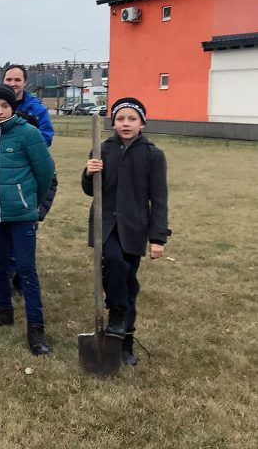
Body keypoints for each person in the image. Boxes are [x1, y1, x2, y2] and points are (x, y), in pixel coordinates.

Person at [83, 97, 168, 366]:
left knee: (128, 284)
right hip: (105, 225)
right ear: (113, 122)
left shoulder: (153, 155)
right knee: (115, 263)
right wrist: (88, 172)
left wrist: (157, 238)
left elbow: (160, 199)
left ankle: (125, 342)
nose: (126, 124)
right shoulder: (102, 149)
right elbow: (89, 190)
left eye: (132, 119)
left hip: (134, 228)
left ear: (142, 122)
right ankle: (117, 313)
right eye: (120, 119)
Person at [0, 85, 55, 356]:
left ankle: (36, 328)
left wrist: (30, 202)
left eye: (4, 106)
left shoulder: (28, 134)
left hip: (21, 215)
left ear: (13, 108)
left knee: (26, 269)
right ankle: (3, 311)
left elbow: (45, 173)